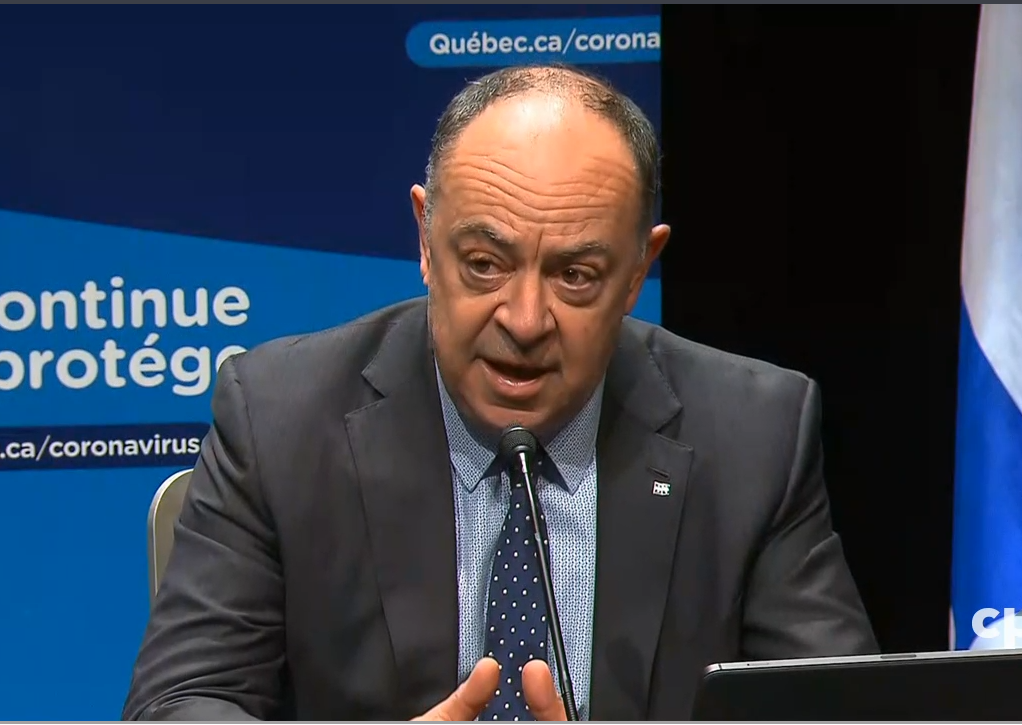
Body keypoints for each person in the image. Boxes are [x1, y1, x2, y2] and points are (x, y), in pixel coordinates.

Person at [122, 63, 878, 722]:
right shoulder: (279, 418)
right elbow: (182, 700)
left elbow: (843, 714)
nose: (523, 320)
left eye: (575, 275)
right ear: (426, 237)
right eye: (484, 263)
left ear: (637, 272)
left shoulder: (753, 436)